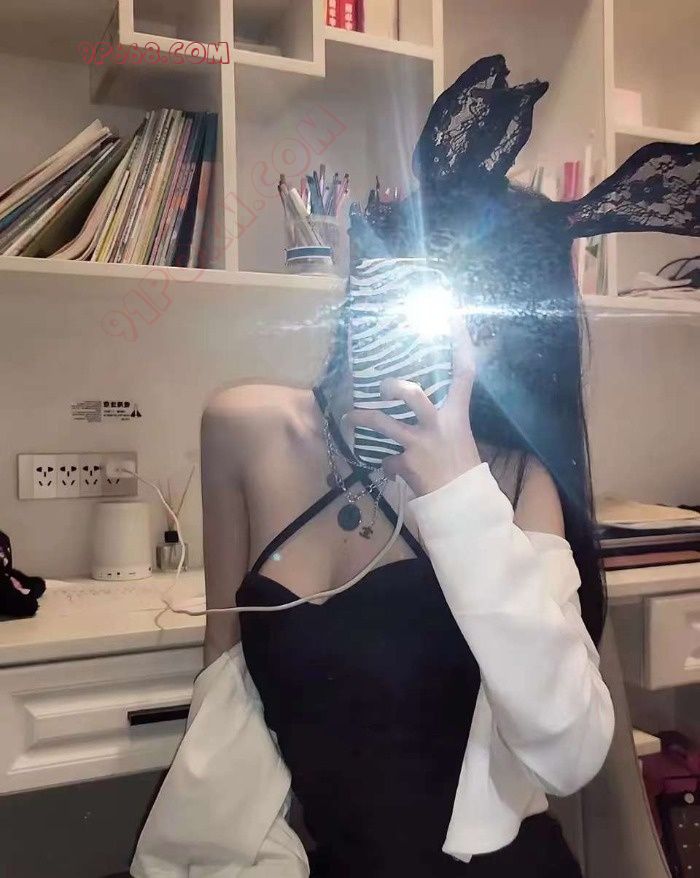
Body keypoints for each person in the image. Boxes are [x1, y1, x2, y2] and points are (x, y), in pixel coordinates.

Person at [132, 56, 697, 878]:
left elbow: (569, 753)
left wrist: (456, 487)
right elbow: (226, 700)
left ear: (513, 337)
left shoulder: (513, 480)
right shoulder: (247, 429)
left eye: (480, 318)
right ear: (370, 279)